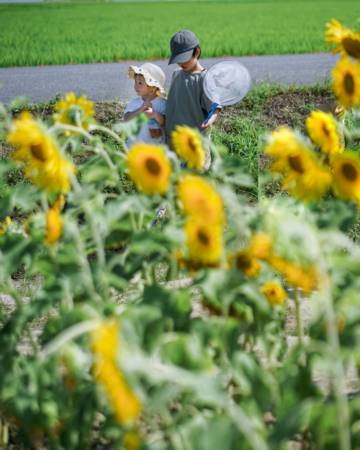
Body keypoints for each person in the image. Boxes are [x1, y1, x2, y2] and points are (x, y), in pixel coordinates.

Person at [165, 30, 221, 168]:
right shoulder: (176, 74)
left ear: (197, 52)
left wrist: (210, 120)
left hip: (195, 142)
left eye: (184, 58)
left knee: (195, 178)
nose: (180, 63)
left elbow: (215, 108)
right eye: (178, 59)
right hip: (174, 140)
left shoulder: (205, 79)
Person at [124, 63, 166, 147]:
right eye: (135, 82)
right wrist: (140, 109)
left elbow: (165, 123)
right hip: (134, 148)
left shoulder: (162, 104)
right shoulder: (134, 103)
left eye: (140, 83)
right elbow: (126, 119)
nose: (136, 86)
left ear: (153, 88)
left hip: (154, 151)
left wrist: (155, 114)